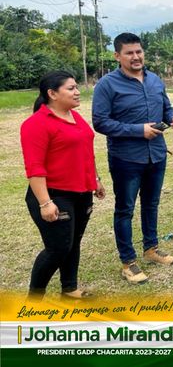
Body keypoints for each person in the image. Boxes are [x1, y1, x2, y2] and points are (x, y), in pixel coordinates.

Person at [92, 32, 173, 285]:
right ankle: (128, 261)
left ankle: (151, 249)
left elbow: (166, 107)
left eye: (139, 51)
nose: (136, 57)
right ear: (117, 56)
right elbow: (100, 122)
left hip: (156, 154)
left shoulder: (154, 80)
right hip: (126, 158)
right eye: (129, 53)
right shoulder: (107, 85)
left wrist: (172, 118)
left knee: (151, 204)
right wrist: (137, 130)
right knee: (125, 209)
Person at [20, 71, 106, 299]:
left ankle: (69, 289)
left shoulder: (75, 117)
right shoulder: (36, 124)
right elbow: (34, 168)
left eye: (76, 87)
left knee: (73, 242)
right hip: (54, 195)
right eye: (71, 88)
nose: (77, 92)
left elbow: (85, 152)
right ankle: (34, 299)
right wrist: (45, 203)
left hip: (81, 192)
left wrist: (95, 179)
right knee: (58, 248)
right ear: (52, 93)